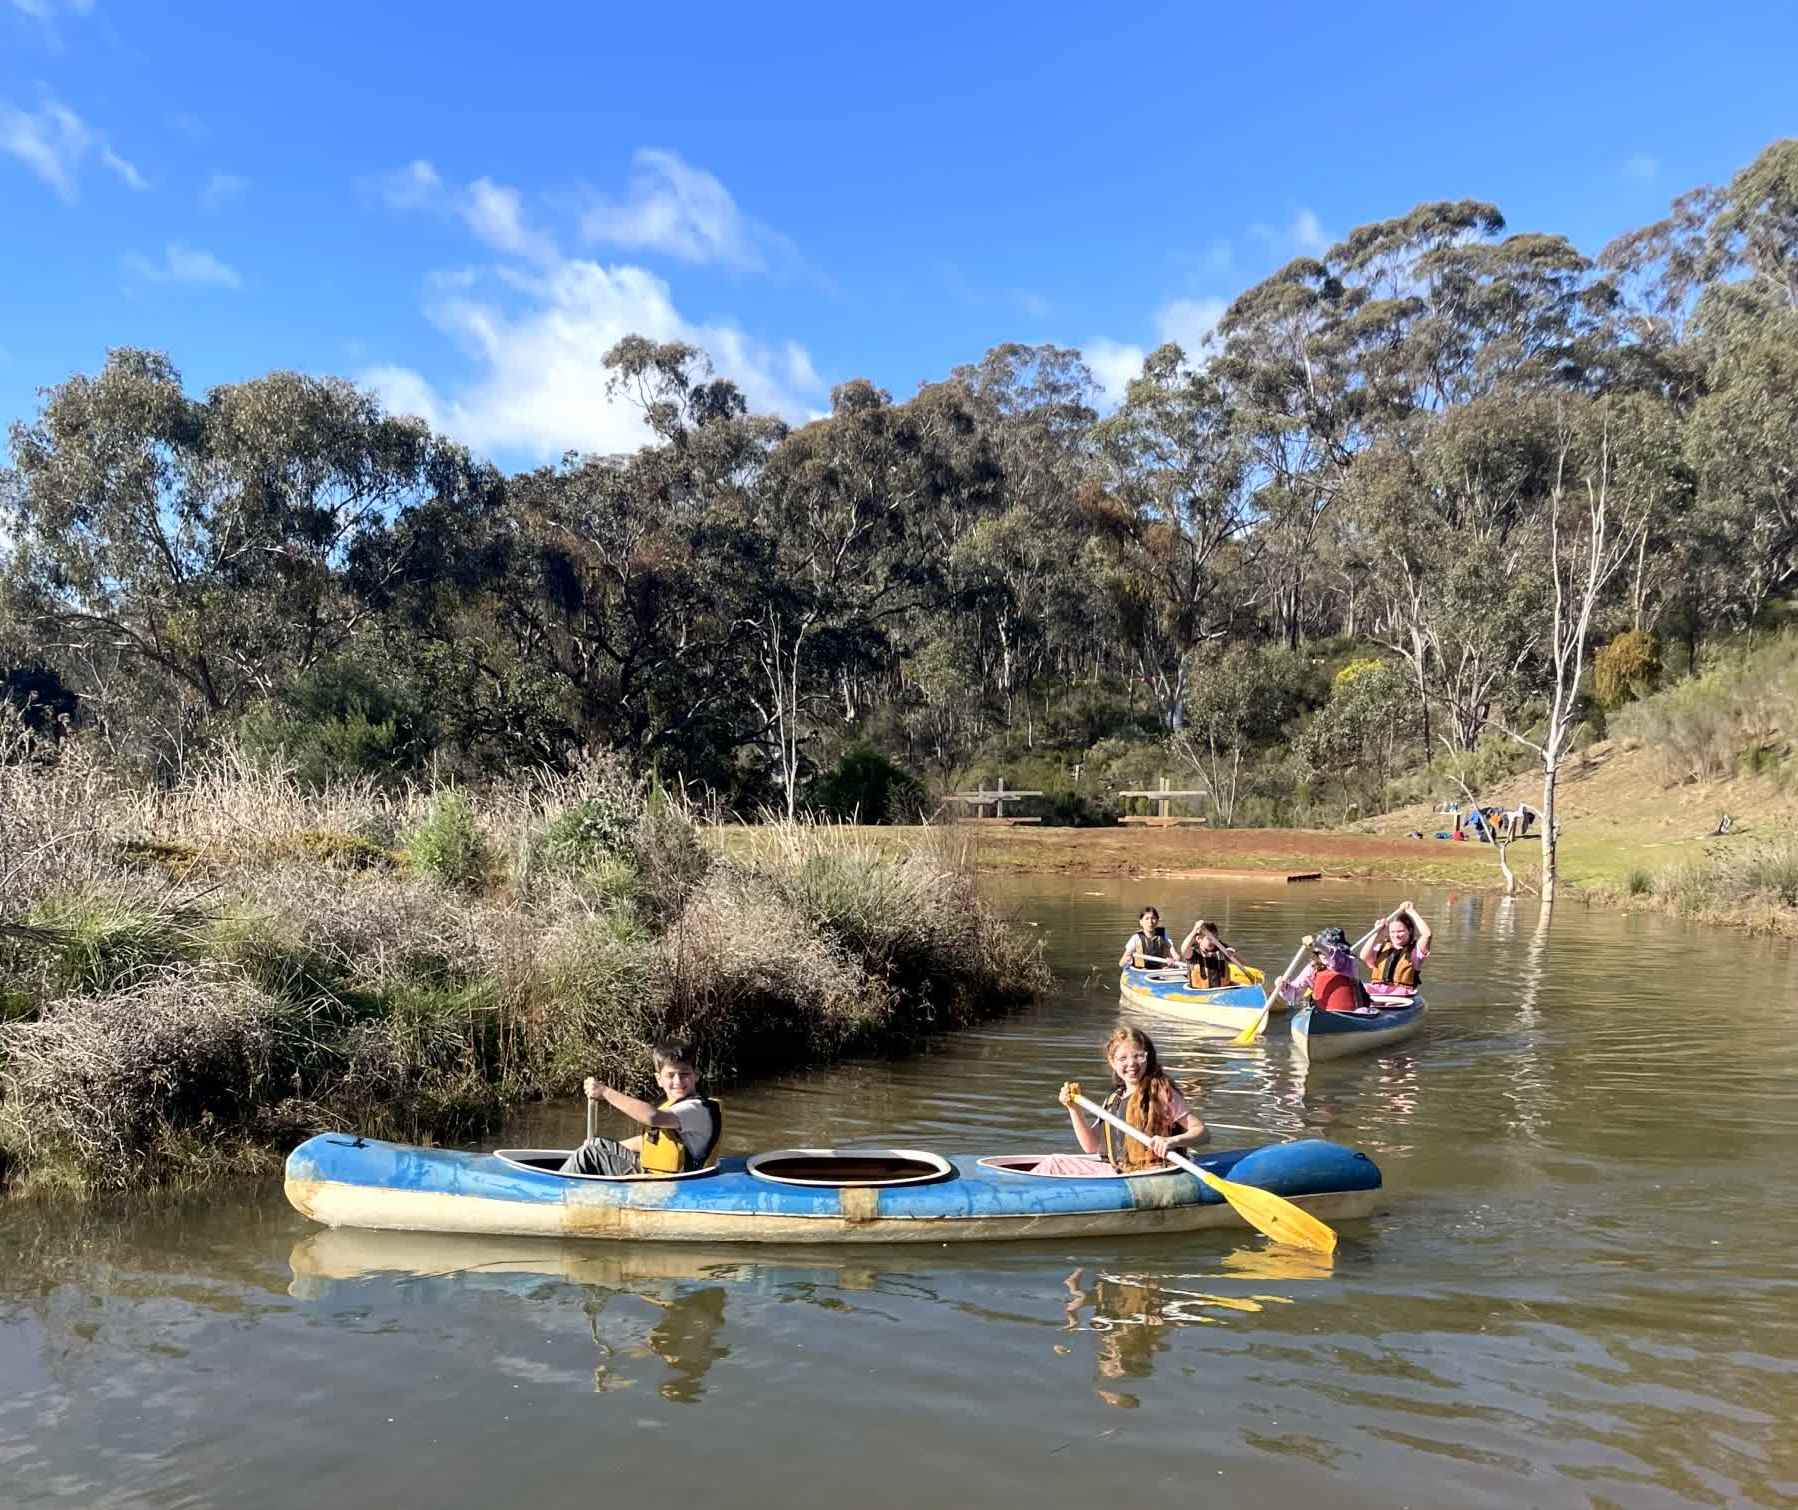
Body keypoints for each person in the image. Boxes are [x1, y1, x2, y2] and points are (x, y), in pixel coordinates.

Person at [1035, 1026, 1208, 1177]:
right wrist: (1073, 1109)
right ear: (1112, 1062)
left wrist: (1172, 1141)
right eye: (1123, 1058)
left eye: (1138, 1056)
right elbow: (1091, 1146)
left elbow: (1202, 1133)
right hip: (1119, 1172)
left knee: (1053, 1165)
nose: (1131, 1063)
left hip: (1155, 1173)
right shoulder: (1113, 1099)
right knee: (1053, 1163)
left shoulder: (1161, 1093)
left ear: (1148, 1058)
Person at [560, 1039, 722, 1177]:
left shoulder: (695, 1109)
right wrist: (605, 1147)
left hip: (669, 1184)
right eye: (670, 1075)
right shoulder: (675, 1107)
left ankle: (555, 1194)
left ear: (696, 1075)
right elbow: (650, 1142)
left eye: (685, 1074)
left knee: (588, 1154)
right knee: (596, 1145)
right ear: (659, 1080)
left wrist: (604, 1092)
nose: (678, 1081)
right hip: (656, 1174)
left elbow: (652, 1117)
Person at [1273, 927, 1372, 1014]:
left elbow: (1335, 959)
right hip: (1322, 1014)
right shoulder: (1312, 968)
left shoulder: (1350, 962)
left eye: (1324, 951)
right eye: (1319, 952)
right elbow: (1294, 995)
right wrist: (1284, 986)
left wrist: (1318, 945)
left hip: (1352, 1013)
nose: (1323, 955)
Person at [1360, 901, 1432, 1000]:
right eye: (1392, 932)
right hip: (1376, 994)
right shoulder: (1381, 948)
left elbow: (1427, 935)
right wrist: (1376, 932)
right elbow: (1363, 956)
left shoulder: (1416, 951)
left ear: (1410, 931)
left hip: (1400, 995)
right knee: (1358, 986)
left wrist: (1411, 912)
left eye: (1400, 931)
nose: (1396, 935)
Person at [1179, 918, 1259, 989]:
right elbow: (1184, 949)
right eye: (1209, 938)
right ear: (1198, 939)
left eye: (1215, 938)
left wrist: (1234, 956)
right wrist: (1194, 930)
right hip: (1200, 993)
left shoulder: (1223, 949)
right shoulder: (1194, 953)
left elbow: (1244, 965)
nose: (1213, 941)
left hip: (1225, 991)